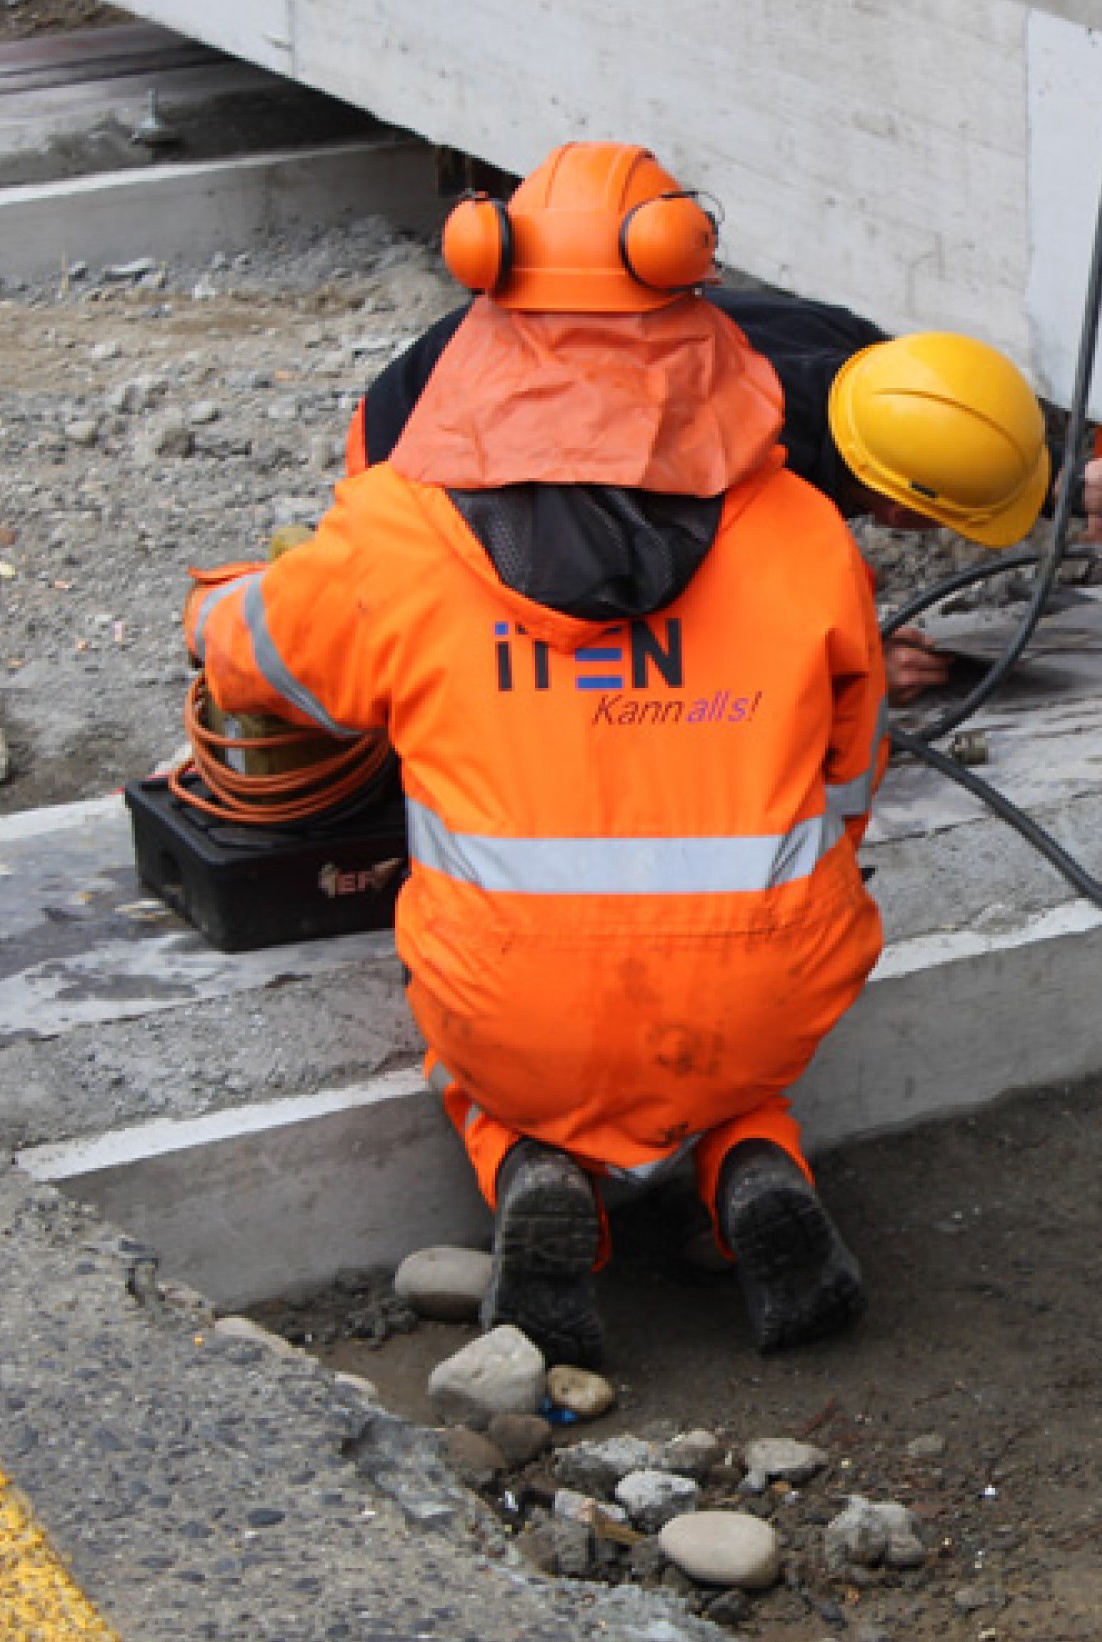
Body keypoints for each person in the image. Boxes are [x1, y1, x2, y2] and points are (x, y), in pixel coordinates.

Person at [185, 142, 889, 1369]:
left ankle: (526, 1161)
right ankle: (750, 1156)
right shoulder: (800, 529)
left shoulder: (396, 534)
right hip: (766, 991)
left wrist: (212, 610)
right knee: (730, 1062)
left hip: (514, 1002)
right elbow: (851, 775)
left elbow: (267, 660)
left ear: (489, 284)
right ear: (690, 298)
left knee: (488, 1054)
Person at [350, 286, 1102, 704]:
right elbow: (666, 637)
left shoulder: (858, 362)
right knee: (544, 647)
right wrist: (842, 674)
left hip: (494, 364)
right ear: (894, 513)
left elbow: (934, 434)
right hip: (421, 452)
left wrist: (1065, 486)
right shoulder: (725, 486)